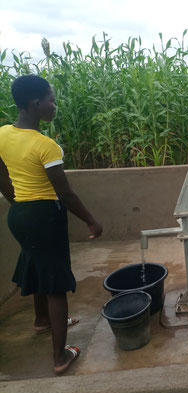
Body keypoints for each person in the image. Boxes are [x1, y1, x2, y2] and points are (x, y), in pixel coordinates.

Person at [0, 75, 103, 374]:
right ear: (35, 104)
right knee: (55, 283)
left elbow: (2, 173)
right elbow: (65, 193)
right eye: (51, 100)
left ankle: (41, 321)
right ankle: (61, 357)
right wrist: (92, 221)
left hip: (19, 216)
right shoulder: (46, 147)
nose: (54, 106)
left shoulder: (3, 133)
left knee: (37, 265)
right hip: (44, 216)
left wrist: (16, 200)